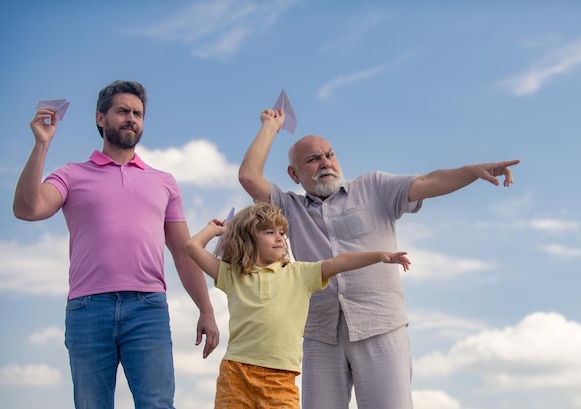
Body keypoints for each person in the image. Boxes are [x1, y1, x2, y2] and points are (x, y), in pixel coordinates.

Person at [238, 108, 521, 409]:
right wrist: (271, 125)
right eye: (313, 159)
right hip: (321, 333)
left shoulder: (374, 187)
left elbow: (429, 180)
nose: (325, 163)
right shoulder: (289, 207)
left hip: (380, 325)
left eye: (330, 155)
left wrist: (471, 172)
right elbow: (248, 176)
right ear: (294, 174)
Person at [12, 80, 220, 409]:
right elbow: (27, 209)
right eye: (122, 111)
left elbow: (183, 252)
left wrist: (206, 310)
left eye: (137, 113)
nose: (131, 118)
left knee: (157, 404)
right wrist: (42, 145)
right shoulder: (71, 174)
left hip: (148, 309)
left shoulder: (163, 182)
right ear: (100, 118)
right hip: (87, 309)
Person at [185, 202, 411, 408]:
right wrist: (214, 229)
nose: (279, 238)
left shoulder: (300, 273)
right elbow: (192, 247)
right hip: (236, 373)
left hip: (281, 379)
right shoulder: (233, 275)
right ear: (249, 238)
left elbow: (338, 262)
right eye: (269, 232)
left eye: (282, 233)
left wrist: (381, 255)